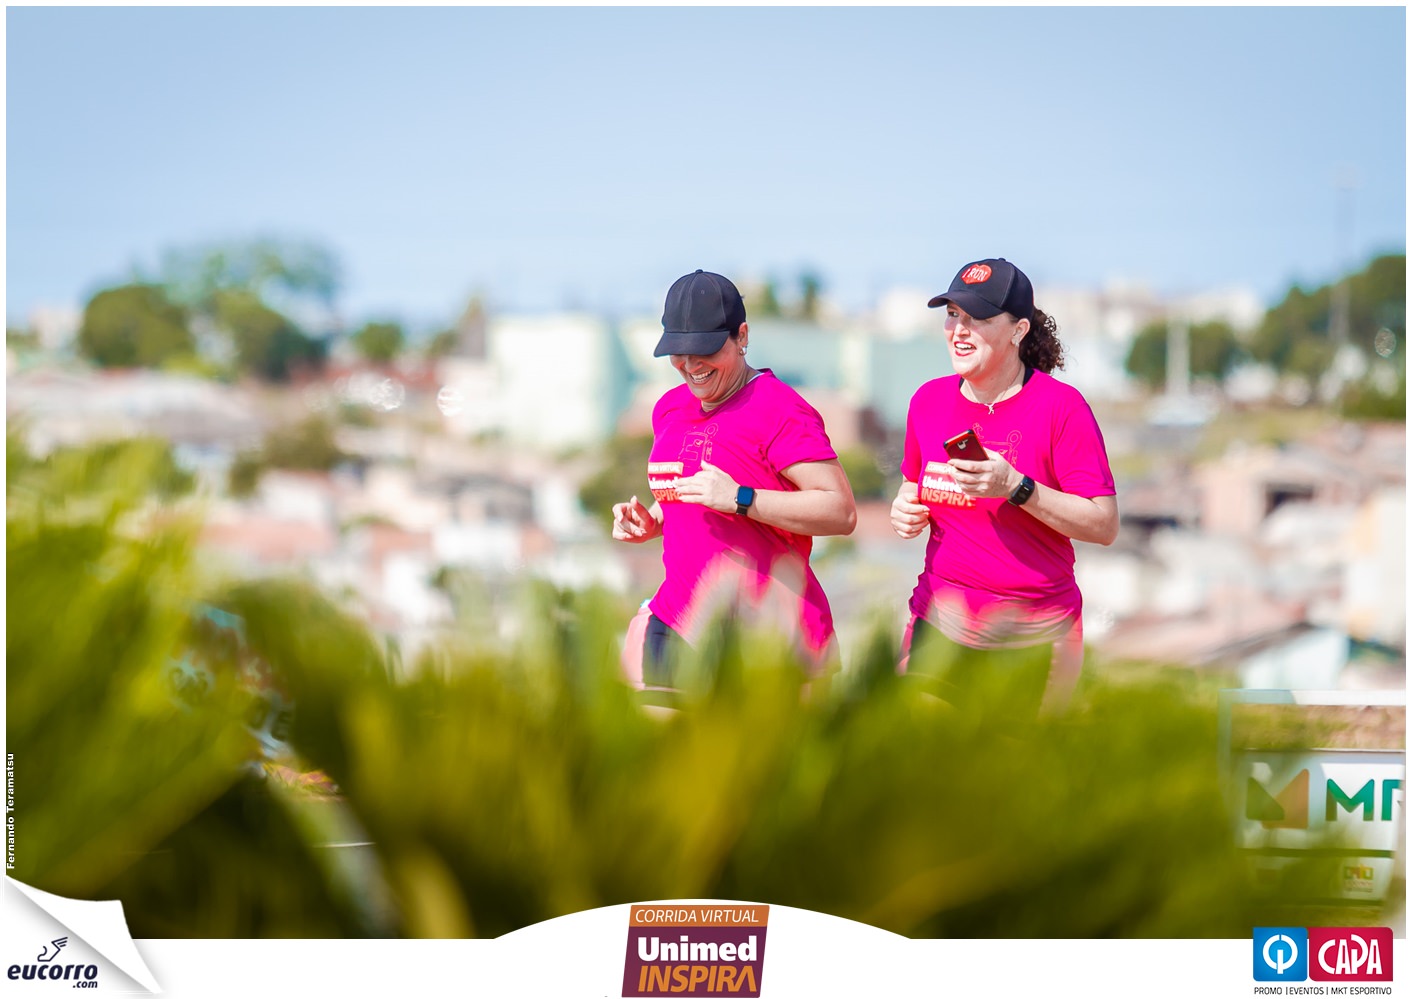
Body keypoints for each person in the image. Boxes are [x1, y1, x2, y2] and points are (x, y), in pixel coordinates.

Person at [889, 258, 1118, 718]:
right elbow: (912, 484)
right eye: (952, 314)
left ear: (1018, 330)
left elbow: (1104, 524)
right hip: (940, 621)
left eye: (978, 318)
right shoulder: (928, 401)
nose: (959, 330)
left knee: (1015, 764)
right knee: (917, 751)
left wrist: (1016, 486)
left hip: (1033, 636)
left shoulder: (1062, 408)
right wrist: (904, 508)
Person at [612, 269, 857, 687]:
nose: (691, 365)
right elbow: (689, 489)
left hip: (769, 637)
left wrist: (742, 498)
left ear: (741, 336)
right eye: (678, 352)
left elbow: (841, 511)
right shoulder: (670, 408)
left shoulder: (780, 409)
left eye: (704, 349)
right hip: (679, 622)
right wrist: (652, 521)